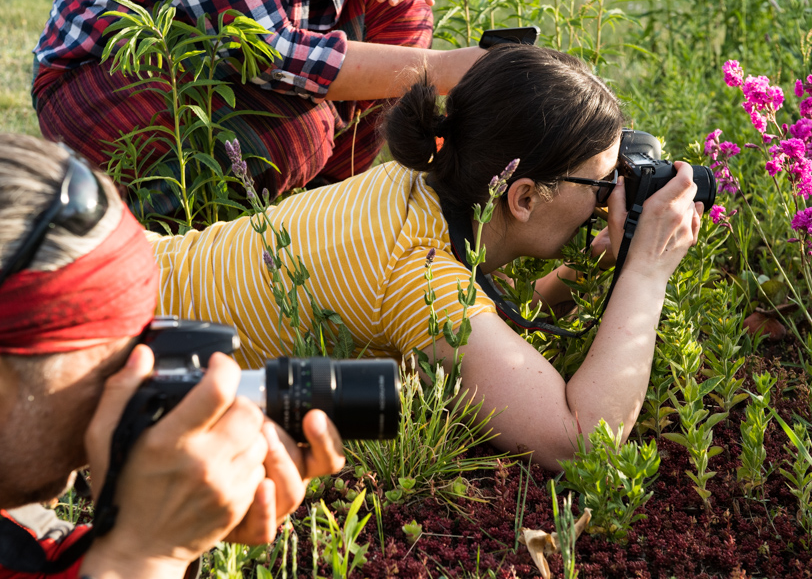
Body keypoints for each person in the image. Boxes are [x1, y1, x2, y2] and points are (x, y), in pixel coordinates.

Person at [148, 44, 704, 470]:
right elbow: (578, 440)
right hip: (133, 355)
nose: (611, 194)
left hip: (134, 277)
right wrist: (648, 272)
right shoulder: (416, 274)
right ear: (525, 196)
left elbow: (487, 325)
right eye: (602, 183)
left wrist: (593, 267)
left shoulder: (416, 184)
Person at [0, 133, 345, 578]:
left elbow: (31, 557)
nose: (140, 392)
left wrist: (168, 525)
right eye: (115, 371)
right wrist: (141, 560)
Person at [31, 0, 485, 216]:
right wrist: (445, 69)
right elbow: (264, 49)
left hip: (231, 65)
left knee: (401, 10)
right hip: (105, 74)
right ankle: (153, 247)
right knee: (294, 135)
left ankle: (313, 219)